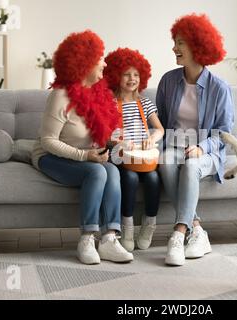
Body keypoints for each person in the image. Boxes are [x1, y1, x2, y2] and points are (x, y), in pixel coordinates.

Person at [31, 30, 133, 265]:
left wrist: (112, 142)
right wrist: (84, 155)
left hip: (86, 156)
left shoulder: (100, 93)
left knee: (113, 170)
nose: (105, 63)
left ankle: (109, 239)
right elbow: (48, 141)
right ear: (84, 62)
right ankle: (87, 238)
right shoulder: (61, 95)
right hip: (50, 155)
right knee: (97, 171)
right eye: (100, 58)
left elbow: (98, 135)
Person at [156, 13, 235, 266]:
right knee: (166, 159)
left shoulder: (219, 88)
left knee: (190, 164)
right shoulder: (168, 81)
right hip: (175, 147)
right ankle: (198, 230)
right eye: (175, 42)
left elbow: (223, 132)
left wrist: (202, 147)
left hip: (207, 152)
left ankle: (179, 234)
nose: (174, 48)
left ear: (198, 47)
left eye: (181, 43)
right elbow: (160, 122)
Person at [104, 48, 164, 252]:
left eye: (136, 74)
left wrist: (151, 138)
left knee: (154, 179)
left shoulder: (145, 102)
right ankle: (127, 226)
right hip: (121, 157)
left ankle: (149, 224)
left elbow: (160, 129)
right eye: (126, 74)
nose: (132, 78)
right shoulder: (110, 103)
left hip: (144, 158)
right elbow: (103, 135)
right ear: (116, 76)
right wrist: (118, 142)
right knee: (129, 178)